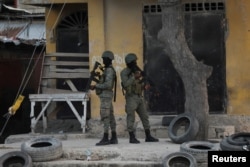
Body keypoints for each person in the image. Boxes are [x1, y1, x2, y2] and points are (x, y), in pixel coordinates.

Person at [120, 53, 159, 144]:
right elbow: (126, 84)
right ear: (129, 62)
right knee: (131, 117)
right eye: (134, 62)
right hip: (131, 98)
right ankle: (131, 137)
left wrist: (144, 86)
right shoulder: (124, 72)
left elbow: (139, 84)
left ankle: (148, 136)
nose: (136, 63)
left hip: (139, 97)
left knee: (145, 116)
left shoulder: (137, 71)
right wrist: (134, 77)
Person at [90, 51, 118, 146]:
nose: (103, 61)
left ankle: (106, 137)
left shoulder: (109, 70)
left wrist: (96, 86)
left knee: (105, 116)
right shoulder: (107, 70)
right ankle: (114, 137)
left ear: (108, 59)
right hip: (106, 96)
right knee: (110, 116)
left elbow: (108, 85)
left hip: (106, 96)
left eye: (104, 59)